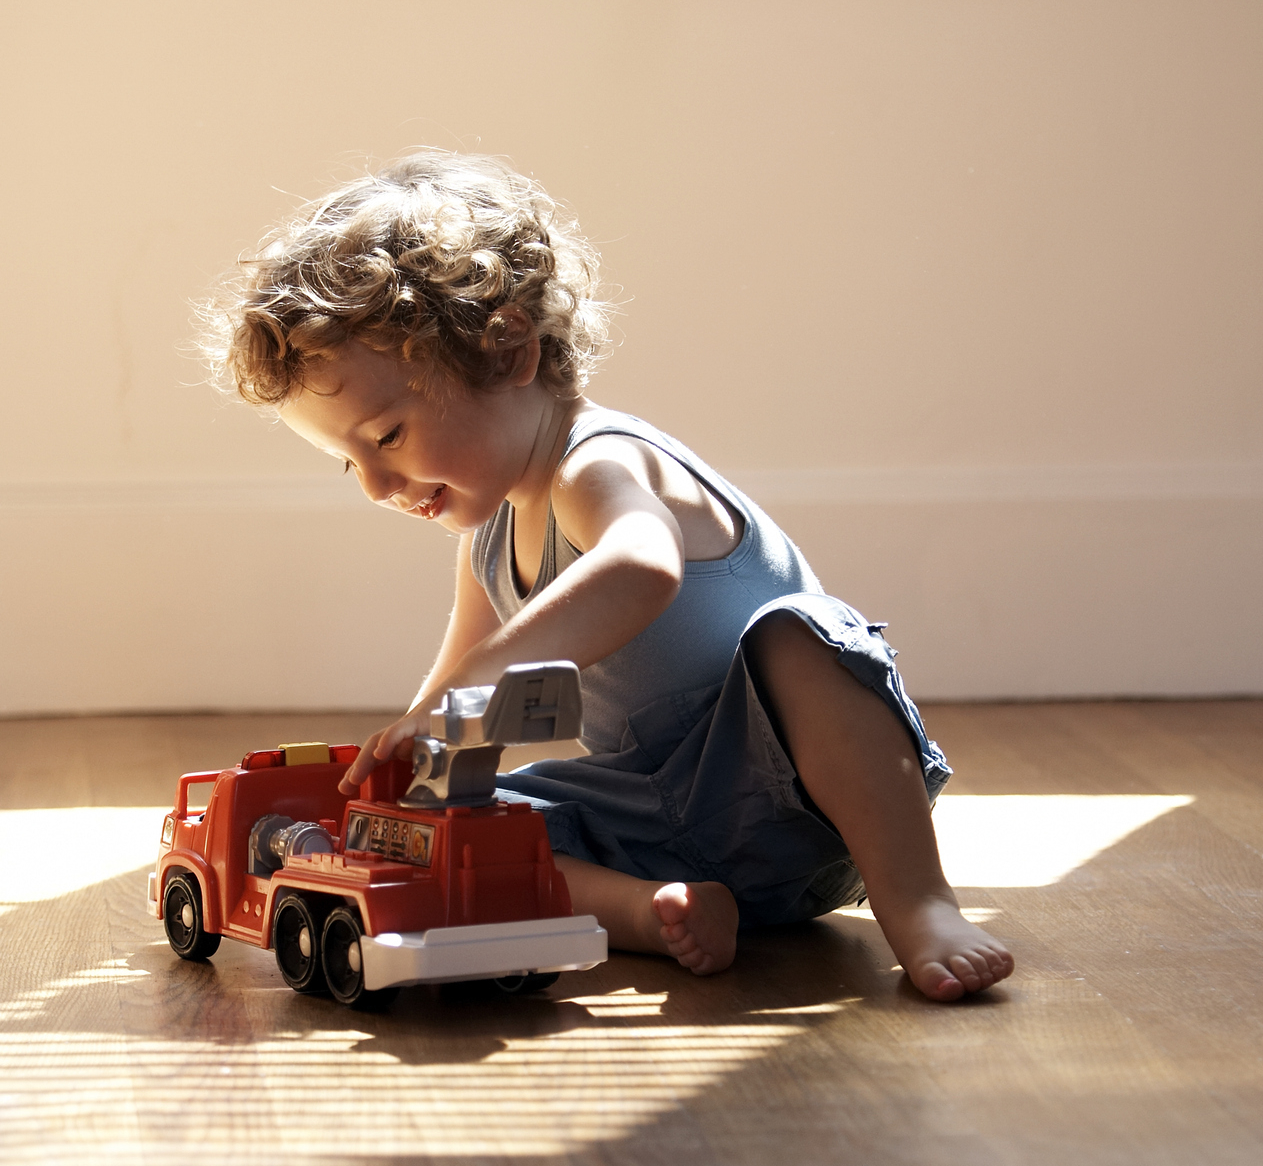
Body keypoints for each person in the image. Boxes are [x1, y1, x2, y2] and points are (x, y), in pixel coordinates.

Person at [208, 152, 1013, 1002]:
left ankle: (921, 904)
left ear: (508, 349)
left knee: (803, 640)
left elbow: (642, 566)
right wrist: (411, 756)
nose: (375, 485)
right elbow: (450, 697)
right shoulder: (486, 547)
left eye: (389, 436)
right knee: (467, 821)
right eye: (349, 464)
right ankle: (654, 912)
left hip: (785, 794)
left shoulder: (594, 463)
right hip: (643, 818)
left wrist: (485, 677)